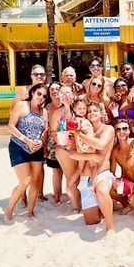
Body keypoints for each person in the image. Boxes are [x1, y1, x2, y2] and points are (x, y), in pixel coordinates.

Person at [4, 83, 48, 223]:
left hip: (36, 149)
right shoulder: (22, 105)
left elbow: (44, 131)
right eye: (39, 94)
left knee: (35, 182)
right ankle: (9, 210)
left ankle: (30, 212)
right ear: (33, 93)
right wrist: (26, 140)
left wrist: (41, 141)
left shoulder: (44, 112)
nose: (41, 98)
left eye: (44, 96)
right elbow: (10, 127)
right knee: (24, 181)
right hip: (18, 146)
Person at [77, 101, 116, 237]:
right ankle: (105, 206)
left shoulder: (108, 129)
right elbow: (72, 153)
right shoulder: (84, 129)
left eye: (95, 110)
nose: (92, 113)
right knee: (91, 221)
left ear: (101, 114)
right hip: (86, 177)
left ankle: (110, 227)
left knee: (101, 190)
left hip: (103, 173)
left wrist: (79, 135)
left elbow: (101, 144)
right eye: (89, 111)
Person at [11, 64, 48, 202]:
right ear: (31, 76)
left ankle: (39, 192)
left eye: (42, 74)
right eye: (36, 74)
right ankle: (23, 196)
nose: (39, 77)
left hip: (40, 134)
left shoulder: (46, 91)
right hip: (22, 138)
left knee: (39, 166)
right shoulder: (24, 91)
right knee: (24, 170)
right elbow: (12, 111)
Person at [110, 119, 134, 216]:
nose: (122, 132)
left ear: (129, 130)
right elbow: (112, 171)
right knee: (108, 186)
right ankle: (126, 204)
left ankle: (133, 199)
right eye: (118, 129)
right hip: (128, 182)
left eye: (124, 128)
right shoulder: (115, 150)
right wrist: (113, 180)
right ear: (115, 133)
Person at [51, 84, 80, 213]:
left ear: (73, 94)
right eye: (62, 94)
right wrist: (58, 139)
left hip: (82, 148)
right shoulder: (58, 112)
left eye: (67, 93)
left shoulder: (80, 108)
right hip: (65, 148)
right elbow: (53, 131)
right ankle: (75, 206)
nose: (65, 96)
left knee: (84, 175)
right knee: (70, 176)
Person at [68, 97, 98, 195]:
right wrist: (80, 147)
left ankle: (69, 186)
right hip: (86, 146)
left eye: (84, 108)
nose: (82, 111)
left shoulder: (82, 119)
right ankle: (93, 185)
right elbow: (76, 133)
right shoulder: (78, 119)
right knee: (94, 166)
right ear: (74, 109)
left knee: (80, 168)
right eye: (79, 109)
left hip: (84, 145)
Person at [45, 82, 64, 203]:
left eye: (57, 88)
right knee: (56, 171)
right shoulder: (46, 107)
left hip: (68, 140)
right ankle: (57, 196)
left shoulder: (68, 104)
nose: (55, 91)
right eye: (52, 89)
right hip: (52, 142)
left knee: (70, 170)